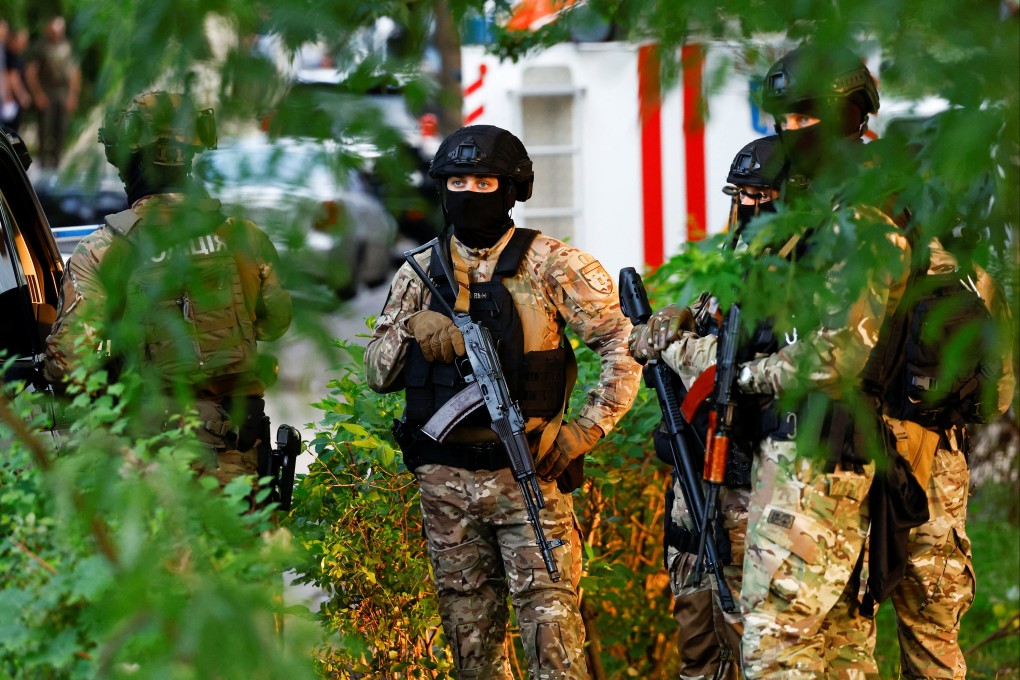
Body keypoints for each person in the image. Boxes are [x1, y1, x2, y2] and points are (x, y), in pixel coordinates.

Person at [635, 43, 912, 678]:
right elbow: (734, 310)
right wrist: (681, 321)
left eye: (806, 122)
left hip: (821, 454)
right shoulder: (795, 224)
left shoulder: (864, 226)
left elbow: (833, 357)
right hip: (780, 462)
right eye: (783, 123)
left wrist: (734, 375)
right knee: (836, 656)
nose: (793, 136)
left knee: (773, 649)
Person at [364, 124, 640, 679]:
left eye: (484, 181)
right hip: (445, 489)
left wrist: (584, 430)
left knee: (554, 645)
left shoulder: (553, 265)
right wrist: (414, 325)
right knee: (473, 653)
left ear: (513, 189)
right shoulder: (420, 270)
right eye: (458, 181)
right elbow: (377, 371)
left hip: (529, 476)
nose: (469, 193)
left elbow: (624, 345)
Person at [44, 91, 292, 485]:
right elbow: (275, 322)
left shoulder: (105, 250)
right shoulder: (245, 238)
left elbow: (67, 363)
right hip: (235, 455)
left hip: (149, 459)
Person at [630, 135, 786, 680]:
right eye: (741, 195)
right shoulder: (735, 263)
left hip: (754, 488)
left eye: (761, 195)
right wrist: (673, 318)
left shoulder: (802, 278)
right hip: (697, 480)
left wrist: (670, 343)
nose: (748, 206)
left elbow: (720, 365)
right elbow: (679, 332)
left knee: (753, 640)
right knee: (697, 640)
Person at [25, 15, 80, 168]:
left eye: (59, 30)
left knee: (61, 127)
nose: (57, 34)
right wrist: (38, 94)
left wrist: (73, 95)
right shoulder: (40, 47)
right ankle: (43, 162)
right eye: (54, 30)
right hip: (47, 90)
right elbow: (31, 72)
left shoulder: (68, 46)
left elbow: (75, 72)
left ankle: (57, 161)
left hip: (63, 91)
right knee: (45, 128)